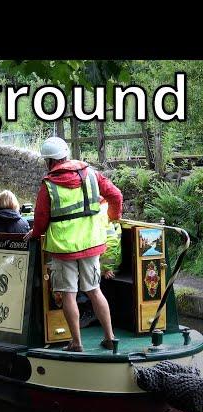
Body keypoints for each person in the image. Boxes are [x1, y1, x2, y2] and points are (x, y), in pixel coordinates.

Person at [24, 137, 123, 352]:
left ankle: (76, 343)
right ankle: (110, 337)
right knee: (94, 290)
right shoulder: (92, 175)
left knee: (68, 294)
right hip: (91, 243)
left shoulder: (49, 185)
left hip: (63, 247)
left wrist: (35, 233)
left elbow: (41, 219)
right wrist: (114, 218)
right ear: (66, 155)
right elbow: (116, 195)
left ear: (49, 161)